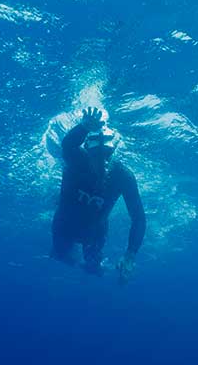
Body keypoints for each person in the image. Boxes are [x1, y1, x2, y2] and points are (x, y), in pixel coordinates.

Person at [51, 107, 146, 283]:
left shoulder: (123, 176)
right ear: (86, 149)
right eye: (96, 155)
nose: (102, 162)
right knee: (60, 256)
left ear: (113, 152)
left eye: (107, 155)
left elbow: (138, 218)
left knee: (93, 267)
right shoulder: (76, 159)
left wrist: (130, 255)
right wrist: (84, 127)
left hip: (94, 232)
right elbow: (67, 144)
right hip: (64, 227)